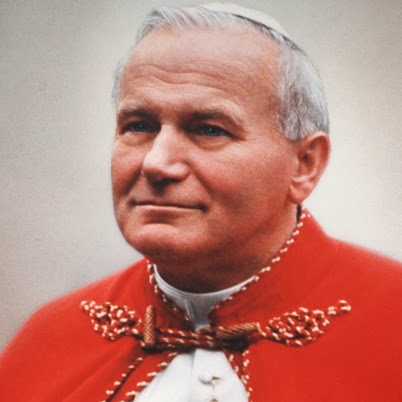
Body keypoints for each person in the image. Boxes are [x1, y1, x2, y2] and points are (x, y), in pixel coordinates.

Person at [1, 3, 401, 401]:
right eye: (138, 126)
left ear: (304, 165)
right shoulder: (50, 338)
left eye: (208, 130)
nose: (157, 163)